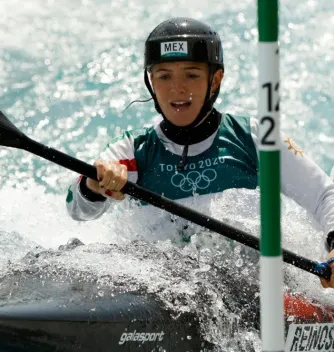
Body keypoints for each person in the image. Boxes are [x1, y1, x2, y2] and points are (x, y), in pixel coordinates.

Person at [64, 17, 334, 288]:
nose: (176, 89)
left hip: (254, 288)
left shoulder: (255, 137)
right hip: (166, 290)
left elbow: (324, 194)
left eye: (191, 75)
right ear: (151, 81)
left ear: (215, 80)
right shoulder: (133, 150)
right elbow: (77, 209)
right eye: (164, 76)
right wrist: (93, 185)